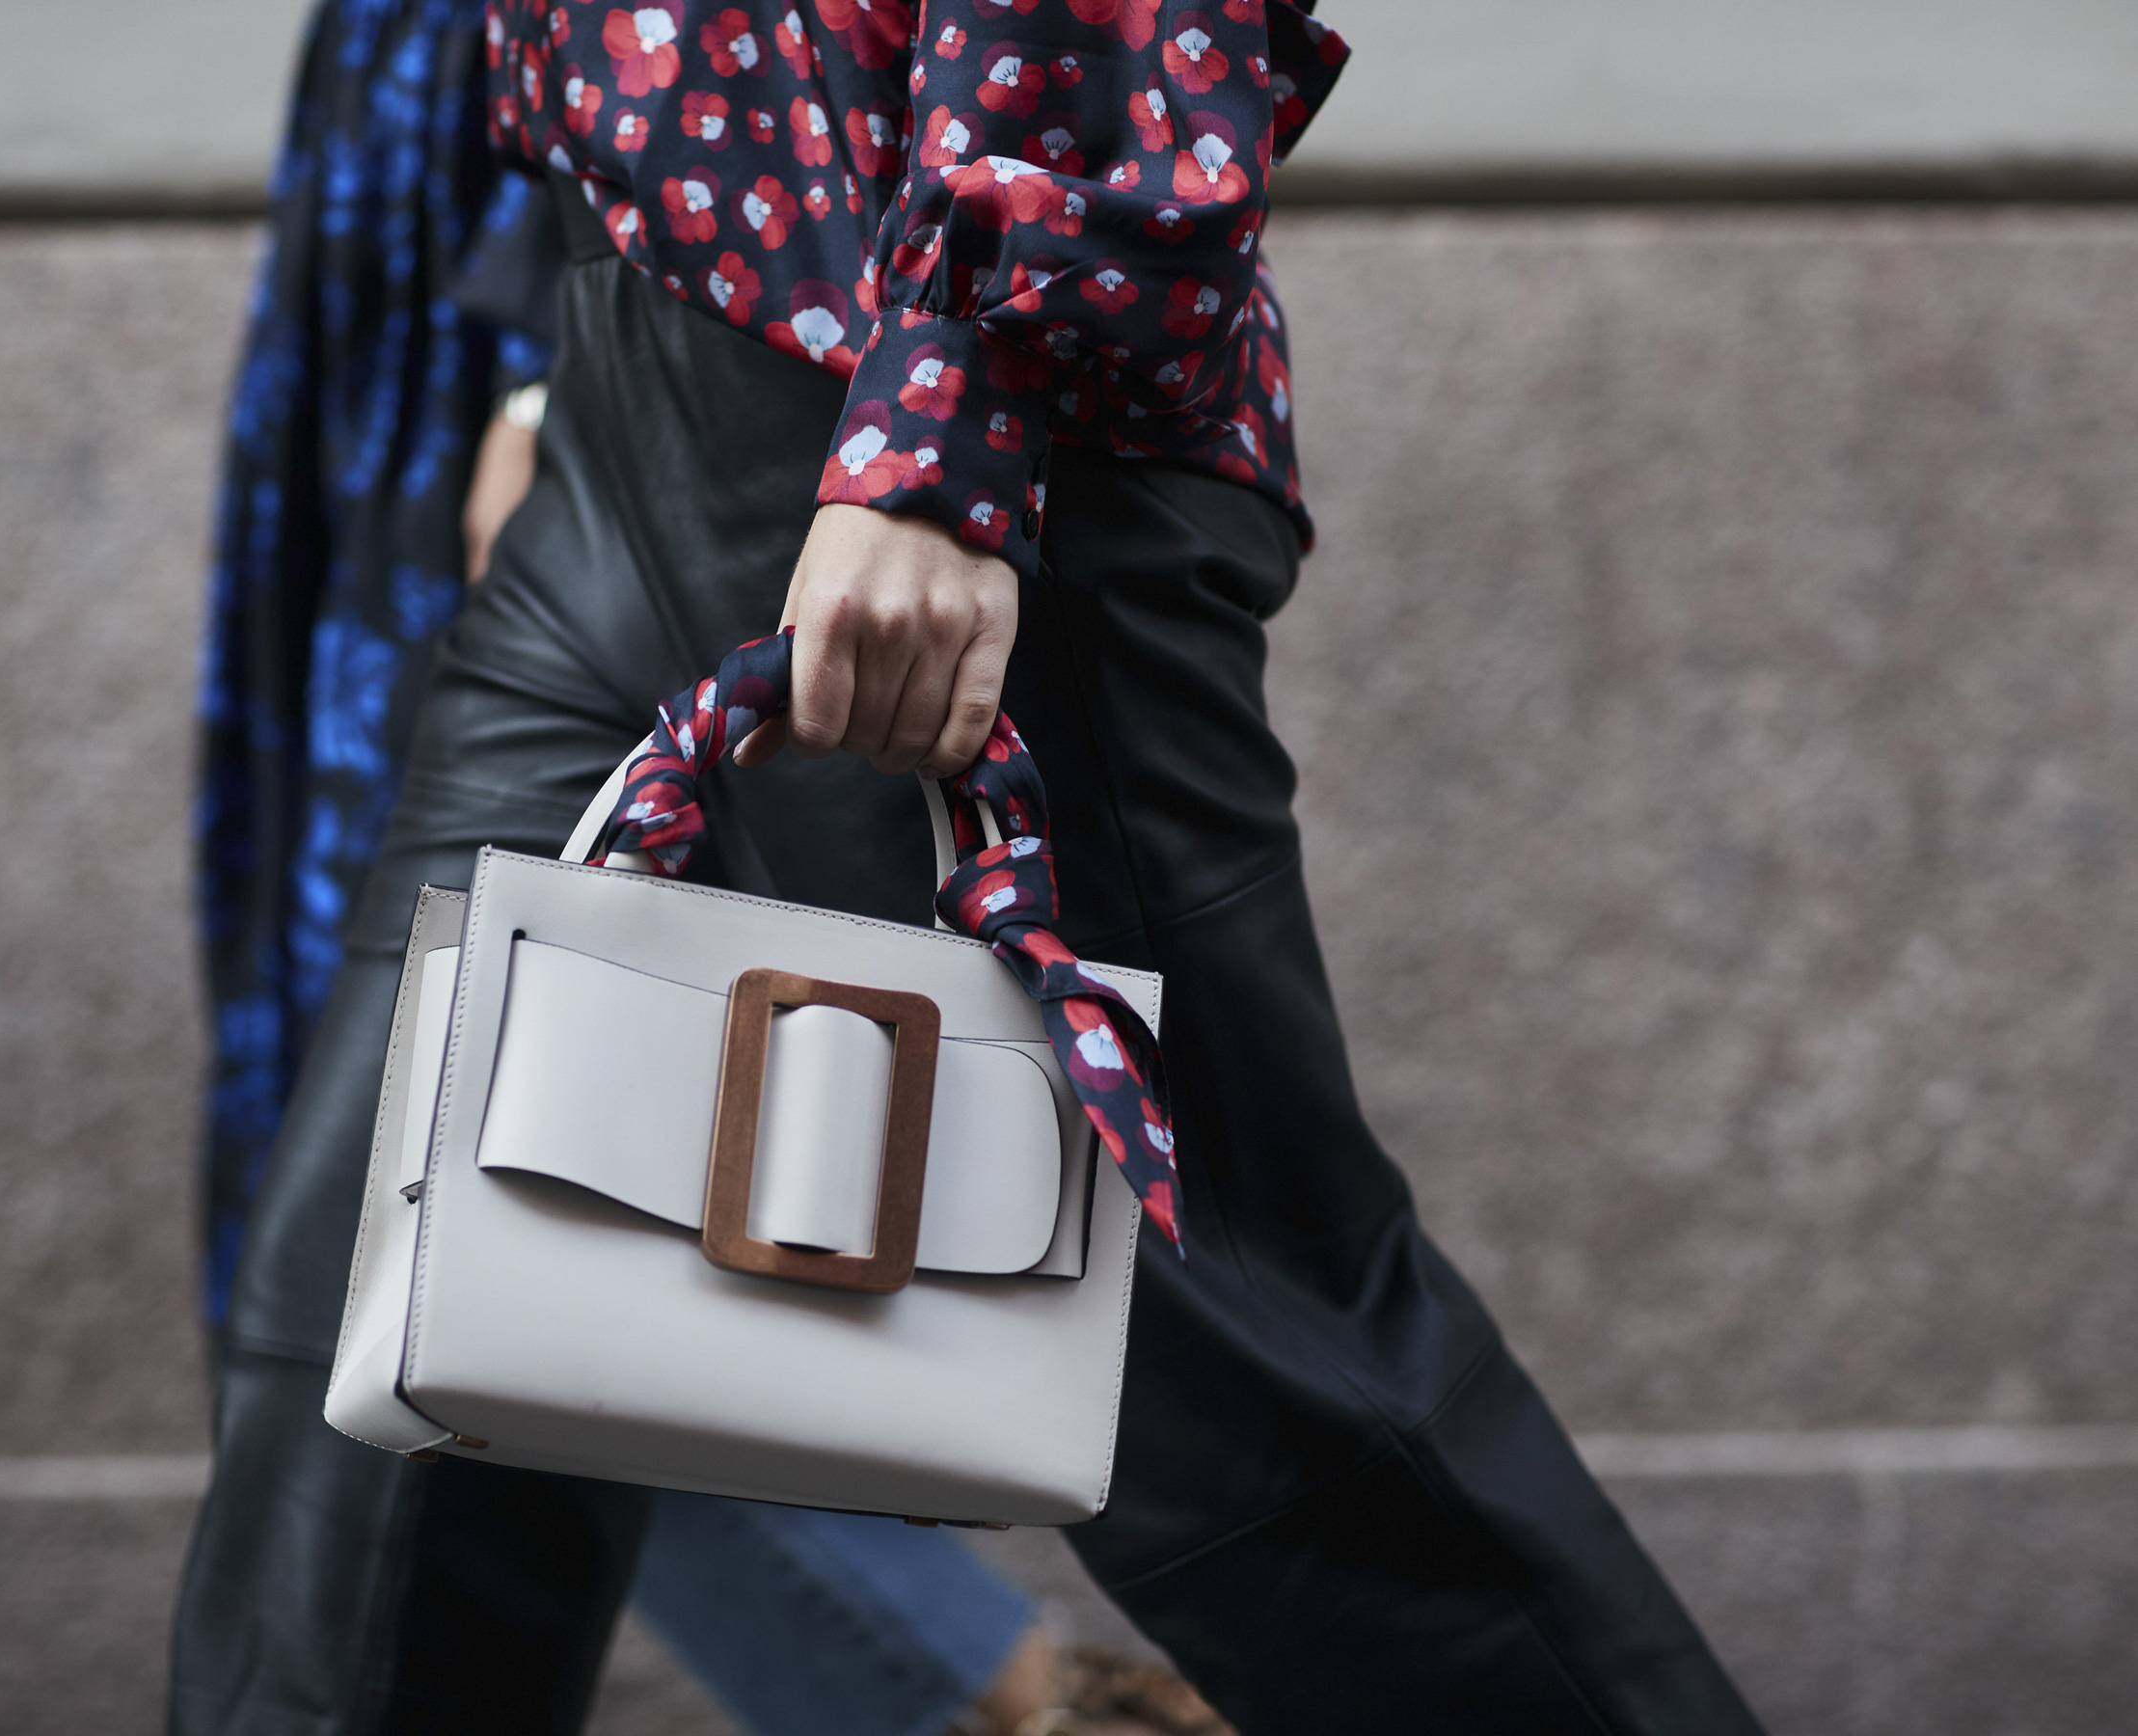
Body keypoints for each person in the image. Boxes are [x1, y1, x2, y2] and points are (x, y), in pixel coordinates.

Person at [197, 0, 1775, 1725]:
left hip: (906, 412)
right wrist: (541, 352)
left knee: (1247, 1383)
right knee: (385, 1333)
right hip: (619, 388)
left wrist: (947, 416)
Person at [175, 4, 1184, 1733]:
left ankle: (988, 1690)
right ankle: (982, 1688)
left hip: (673, 294)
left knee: (503, 1162)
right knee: (456, 1175)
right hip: (499, 245)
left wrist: (545, 369)